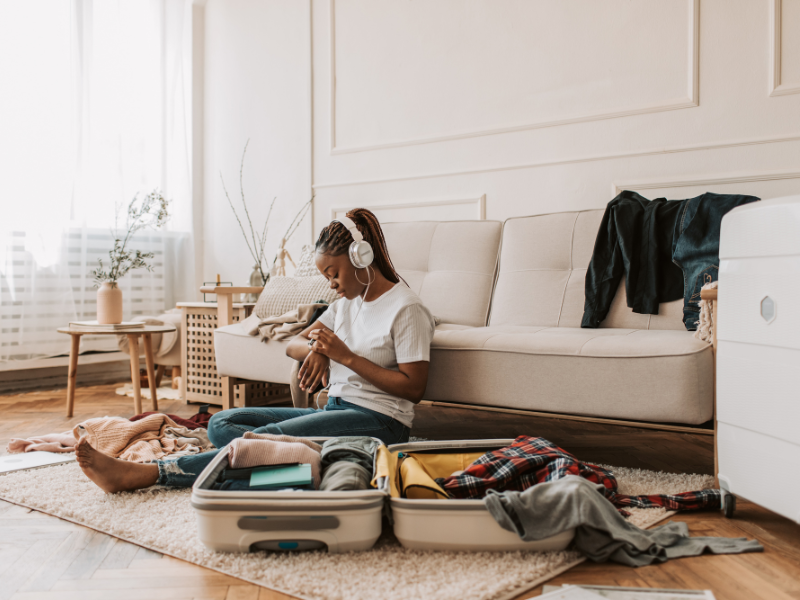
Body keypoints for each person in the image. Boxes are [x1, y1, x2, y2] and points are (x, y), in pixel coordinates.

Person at [76, 208, 436, 493]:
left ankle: (151, 475)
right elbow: (295, 344)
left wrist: (345, 356)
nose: (331, 284)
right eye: (326, 275)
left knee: (267, 441)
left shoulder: (406, 309)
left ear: (361, 259)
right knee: (223, 422)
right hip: (338, 407)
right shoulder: (346, 304)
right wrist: (320, 352)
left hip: (379, 421)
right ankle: (288, 472)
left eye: (334, 273)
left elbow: (413, 389)